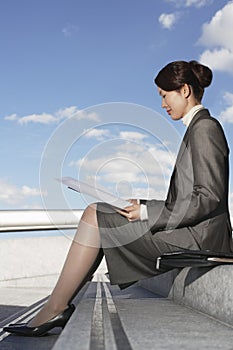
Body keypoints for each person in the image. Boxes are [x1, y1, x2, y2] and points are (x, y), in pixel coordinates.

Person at [4, 60, 232, 336]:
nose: (162, 104)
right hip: (190, 232)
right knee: (97, 213)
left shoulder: (205, 128)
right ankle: (56, 307)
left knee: (95, 215)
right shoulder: (197, 128)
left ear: (184, 90)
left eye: (164, 95)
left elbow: (208, 197)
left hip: (200, 240)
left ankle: (55, 308)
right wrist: (144, 206)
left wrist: (148, 213)